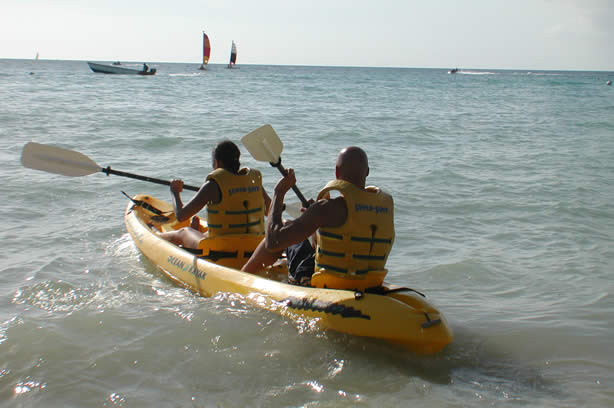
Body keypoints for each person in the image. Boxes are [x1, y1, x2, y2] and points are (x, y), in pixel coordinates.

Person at [242, 146, 395, 291]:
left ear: (337, 172)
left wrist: (279, 193)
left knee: (284, 226)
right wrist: (313, 218)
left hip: (331, 286)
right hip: (370, 285)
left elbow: (273, 241)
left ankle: (241, 278)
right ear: (367, 172)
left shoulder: (326, 208)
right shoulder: (384, 207)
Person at [158, 140, 271, 249]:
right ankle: (197, 232)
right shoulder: (253, 182)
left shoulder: (212, 185)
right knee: (213, 232)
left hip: (221, 249)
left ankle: (157, 236)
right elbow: (269, 211)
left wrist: (175, 192)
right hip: (254, 246)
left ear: (217, 162)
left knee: (184, 232)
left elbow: (181, 216)